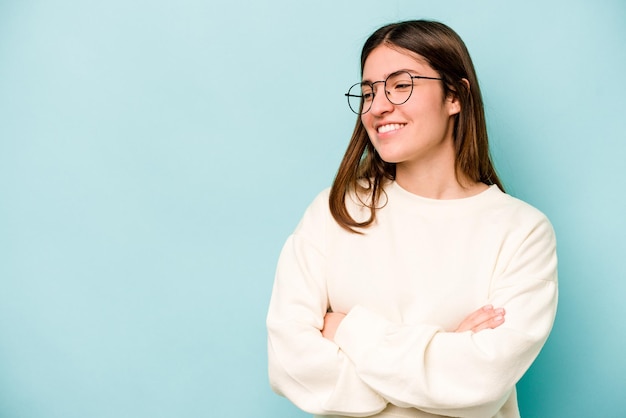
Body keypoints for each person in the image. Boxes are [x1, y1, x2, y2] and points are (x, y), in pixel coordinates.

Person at [266, 19, 557, 418]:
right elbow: (289, 363)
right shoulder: (336, 211)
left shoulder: (522, 231)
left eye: (401, 85)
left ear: (455, 95)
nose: (379, 106)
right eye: (368, 92)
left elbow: (482, 383)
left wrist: (347, 331)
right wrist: (441, 358)